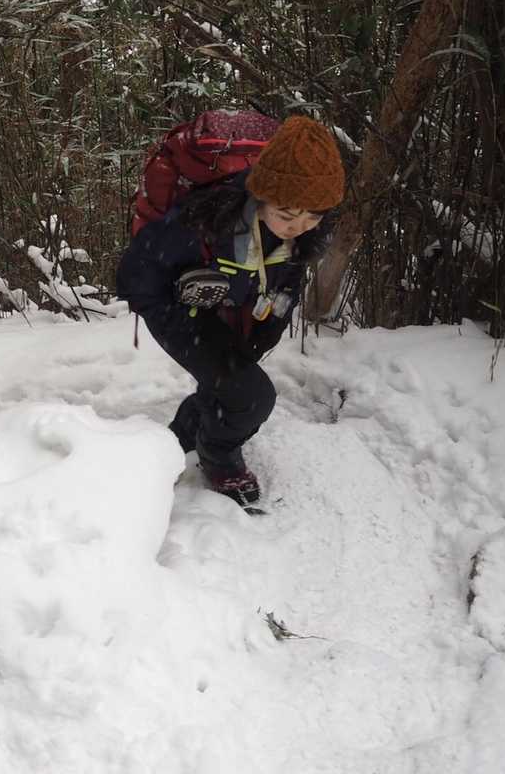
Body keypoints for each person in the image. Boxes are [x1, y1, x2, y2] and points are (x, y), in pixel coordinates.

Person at [116, 115, 345, 506]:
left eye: (313, 216)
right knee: (254, 397)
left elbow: (286, 281)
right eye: (287, 215)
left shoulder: (301, 233)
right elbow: (136, 273)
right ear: (261, 194)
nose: (299, 227)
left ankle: (182, 435)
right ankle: (218, 456)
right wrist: (181, 310)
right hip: (177, 310)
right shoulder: (207, 218)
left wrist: (267, 328)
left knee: (229, 382)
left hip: (232, 311)